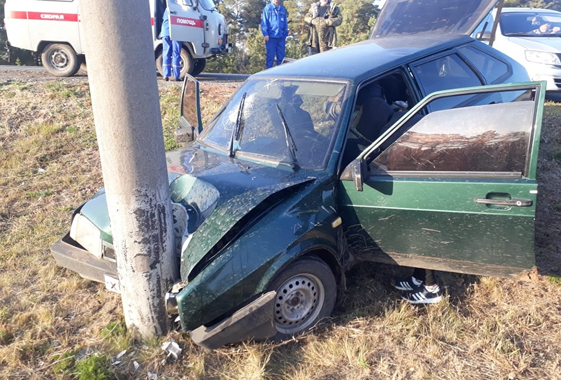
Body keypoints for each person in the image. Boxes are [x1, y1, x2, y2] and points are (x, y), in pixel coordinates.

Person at [260, 0, 289, 69]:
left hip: (281, 37)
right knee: (270, 57)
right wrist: (265, 34)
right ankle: (269, 77)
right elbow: (264, 22)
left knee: (281, 58)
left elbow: (285, 22)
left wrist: (285, 33)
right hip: (271, 37)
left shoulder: (282, 9)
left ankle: (280, 76)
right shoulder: (267, 8)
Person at [159, 8, 183, 81]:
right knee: (176, 53)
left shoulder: (167, 9)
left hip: (165, 32)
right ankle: (177, 76)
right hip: (176, 32)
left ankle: (166, 75)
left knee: (166, 53)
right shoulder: (179, 9)